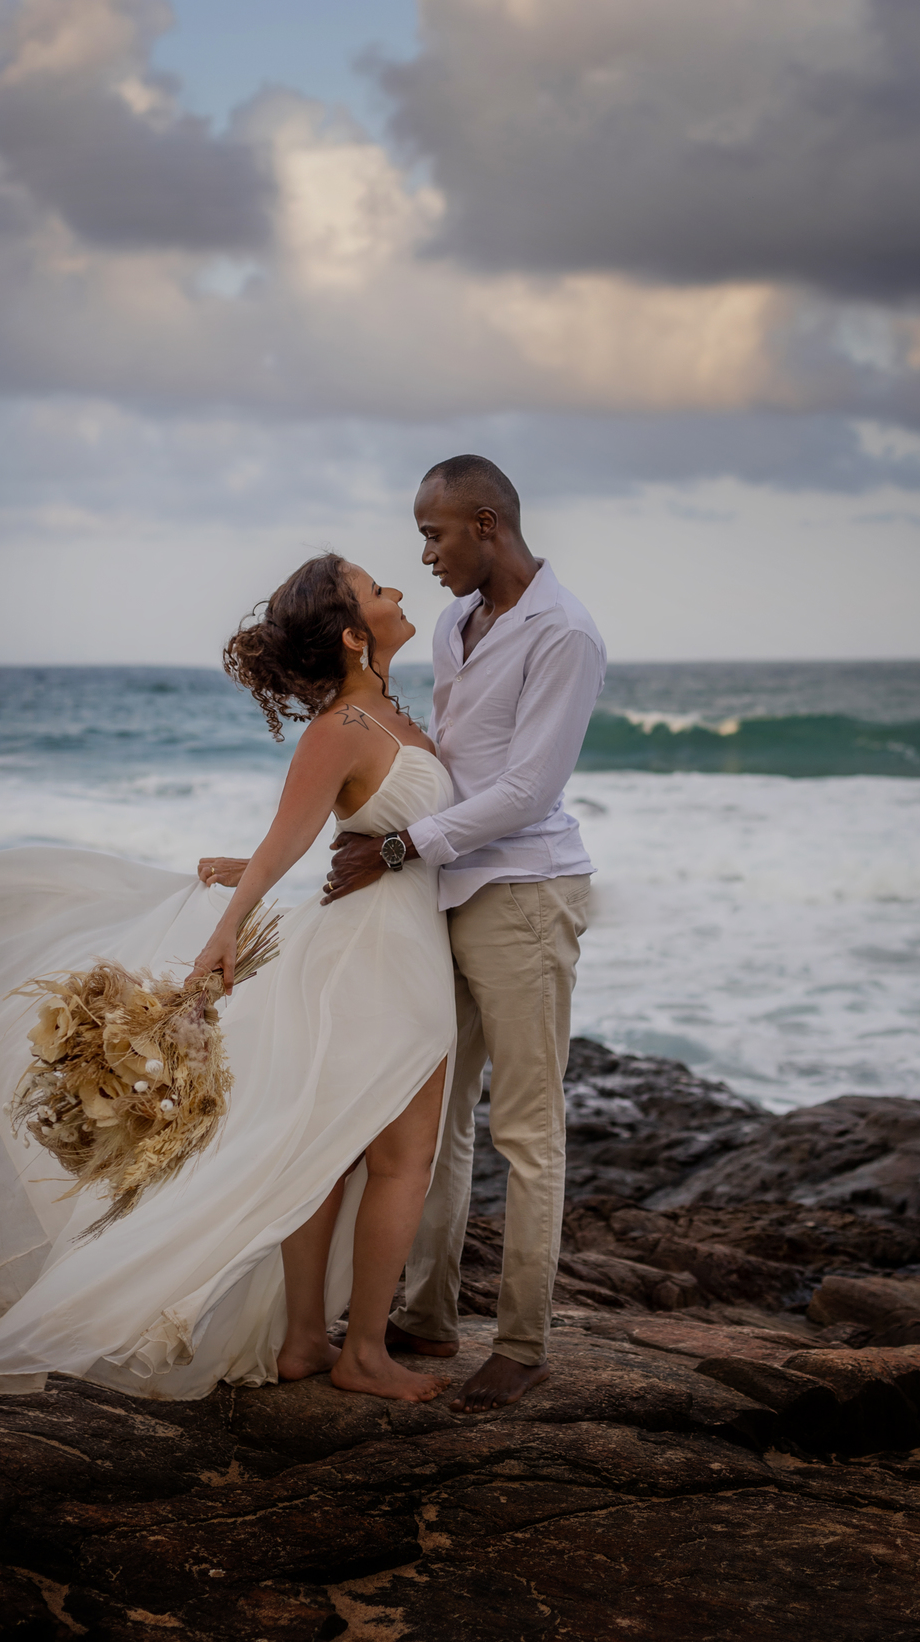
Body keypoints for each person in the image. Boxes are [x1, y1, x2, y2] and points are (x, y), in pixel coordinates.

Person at [0, 555, 457, 1403]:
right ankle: (361, 1352)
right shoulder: (344, 729)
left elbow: (344, 828)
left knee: (329, 1152)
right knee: (400, 1158)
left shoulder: (385, 716)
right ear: (357, 635)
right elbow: (293, 839)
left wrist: (261, 870)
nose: (397, 589)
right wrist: (226, 930)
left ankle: (301, 1344)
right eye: (377, 588)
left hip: (387, 940)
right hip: (382, 957)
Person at [323, 456, 606, 1412]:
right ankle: (428, 1315)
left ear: (486, 524)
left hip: (526, 895)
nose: (426, 555)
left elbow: (529, 789)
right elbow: (448, 760)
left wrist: (400, 845)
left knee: (527, 1129)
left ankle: (521, 1345)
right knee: (432, 1118)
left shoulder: (563, 632)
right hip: (442, 890)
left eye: (435, 535)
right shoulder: (453, 623)